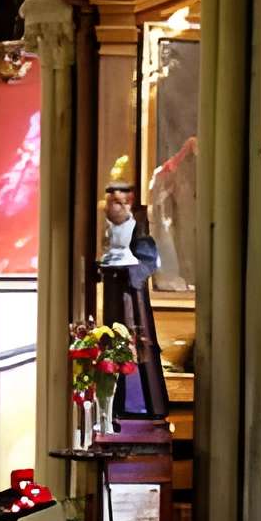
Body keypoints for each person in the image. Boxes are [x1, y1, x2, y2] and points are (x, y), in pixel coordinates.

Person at [97, 181, 168, 422]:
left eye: (118, 202)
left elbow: (148, 260)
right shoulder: (107, 228)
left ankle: (140, 405)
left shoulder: (139, 230)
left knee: (135, 347)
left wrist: (127, 270)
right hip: (113, 297)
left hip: (132, 300)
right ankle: (114, 403)